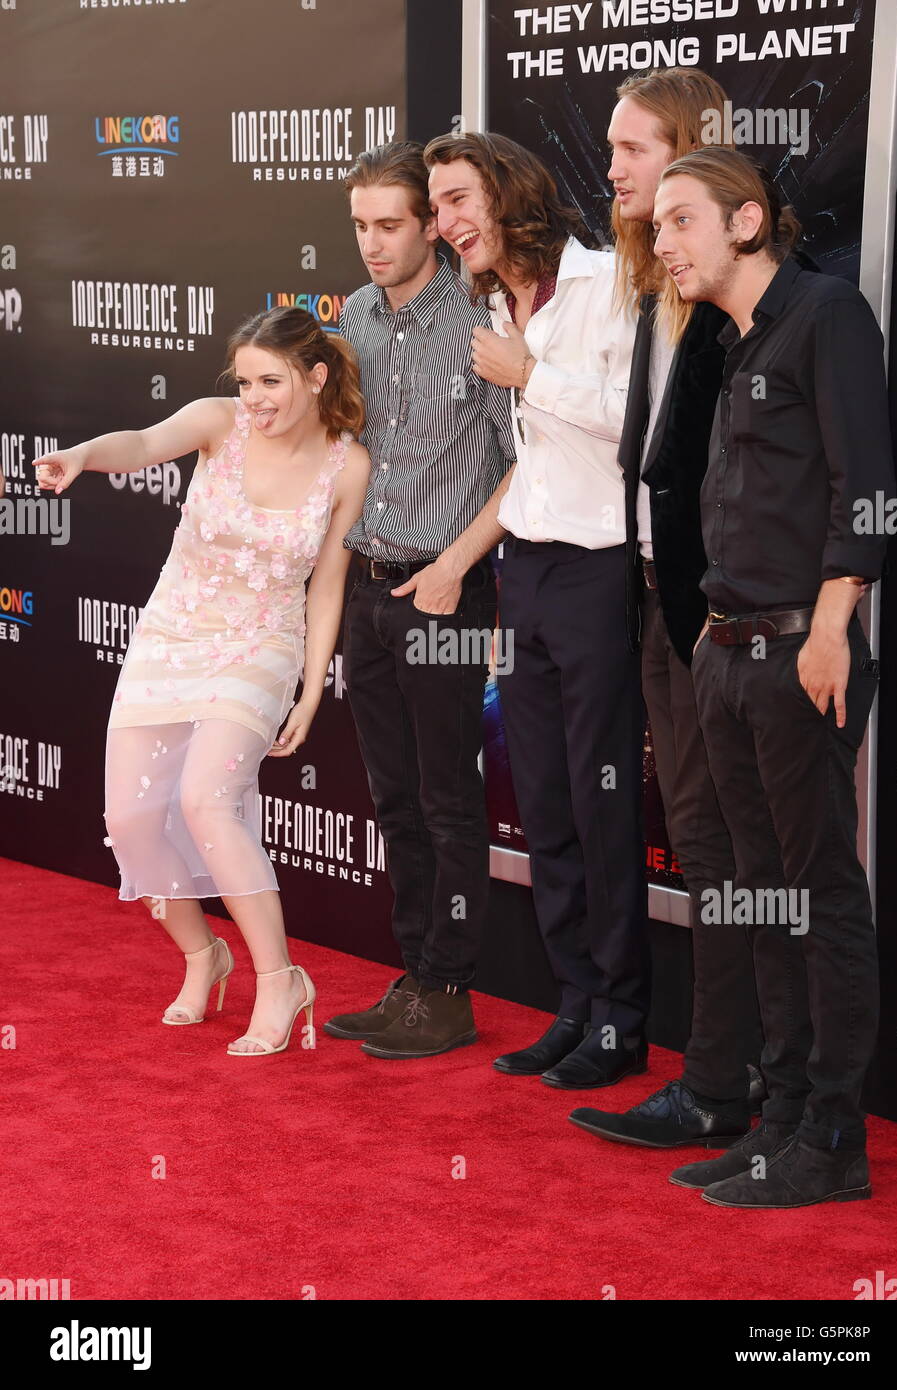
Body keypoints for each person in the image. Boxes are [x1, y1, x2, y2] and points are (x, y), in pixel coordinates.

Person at [652, 148, 894, 1207]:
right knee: (759, 898)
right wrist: (710, 638)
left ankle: (832, 1139)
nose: (659, 244)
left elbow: (865, 484)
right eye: (656, 225)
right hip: (725, 649)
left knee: (813, 896)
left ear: (745, 222)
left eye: (678, 221)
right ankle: (782, 1120)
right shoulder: (730, 335)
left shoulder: (826, 316)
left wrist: (833, 625)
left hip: (801, 651)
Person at [33, 308, 369, 1056]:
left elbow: (325, 588)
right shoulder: (219, 423)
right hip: (172, 634)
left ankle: (280, 980)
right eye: (246, 380)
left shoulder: (349, 466)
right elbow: (145, 443)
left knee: (206, 801)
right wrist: (85, 453)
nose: (254, 397)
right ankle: (201, 954)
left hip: (261, 646)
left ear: (314, 379)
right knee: (129, 822)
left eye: (271, 381)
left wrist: (311, 690)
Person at [424, 131, 649, 1089]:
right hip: (528, 572)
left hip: (602, 571)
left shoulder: (610, 284)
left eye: (458, 200)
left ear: (510, 193)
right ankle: (574, 1003)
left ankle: (624, 1022)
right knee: (544, 801)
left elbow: (638, 420)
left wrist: (529, 376)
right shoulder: (496, 304)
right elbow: (535, 463)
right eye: (436, 208)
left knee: (602, 804)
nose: (446, 224)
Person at [569, 69, 764, 1149]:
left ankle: (731, 1084)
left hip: (719, 619)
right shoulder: (648, 285)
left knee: (737, 857)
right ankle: (715, 1076)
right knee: (698, 843)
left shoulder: (748, 298)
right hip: (651, 600)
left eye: (633, 149)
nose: (611, 170)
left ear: (691, 151)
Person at [322, 141, 516, 1059]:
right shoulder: (354, 315)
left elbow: (524, 464)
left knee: (448, 799)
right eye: (360, 225)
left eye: (390, 224)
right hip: (366, 590)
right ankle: (415, 977)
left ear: (433, 224)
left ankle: (451, 984)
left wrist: (455, 568)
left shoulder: (482, 315)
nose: (372, 242)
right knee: (395, 798)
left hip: (444, 591)